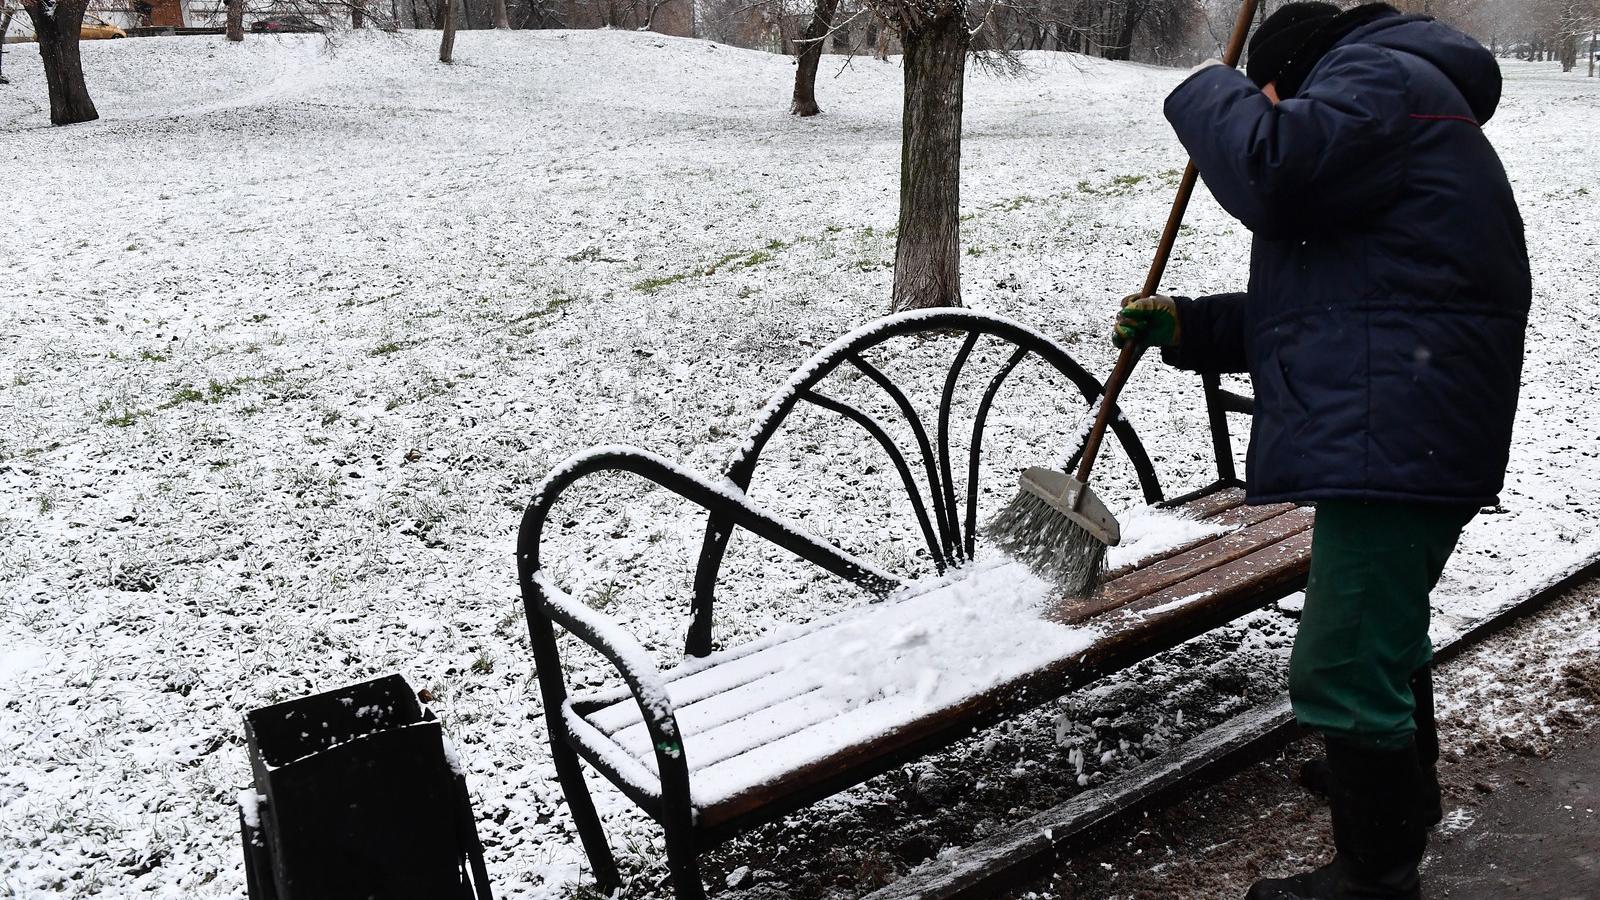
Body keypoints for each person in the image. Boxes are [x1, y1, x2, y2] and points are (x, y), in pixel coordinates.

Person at [1111, 3, 1531, 899]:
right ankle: (1396, 798)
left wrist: (1208, 90)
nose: (1264, 108)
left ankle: (1374, 874)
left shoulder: (1377, 78)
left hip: (1403, 421)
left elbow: (1270, 167)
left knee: (1342, 657)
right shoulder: (1399, 99)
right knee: (1378, 636)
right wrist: (1191, 325)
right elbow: (1347, 306)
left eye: (1267, 93)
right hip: (1415, 412)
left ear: (1290, 74)